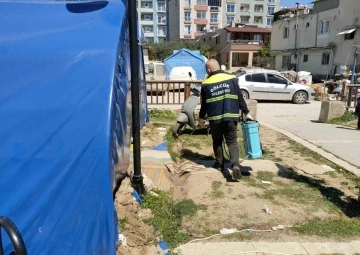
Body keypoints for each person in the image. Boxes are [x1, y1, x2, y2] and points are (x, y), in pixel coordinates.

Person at [198, 59, 253, 180]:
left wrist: (201, 118)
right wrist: (246, 112)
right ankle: (235, 166)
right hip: (231, 118)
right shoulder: (232, 79)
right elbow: (240, 97)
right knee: (232, 142)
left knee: (217, 141)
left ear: (208, 70)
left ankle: (219, 164)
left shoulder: (206, 84)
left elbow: (204, 105)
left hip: (215, 120)